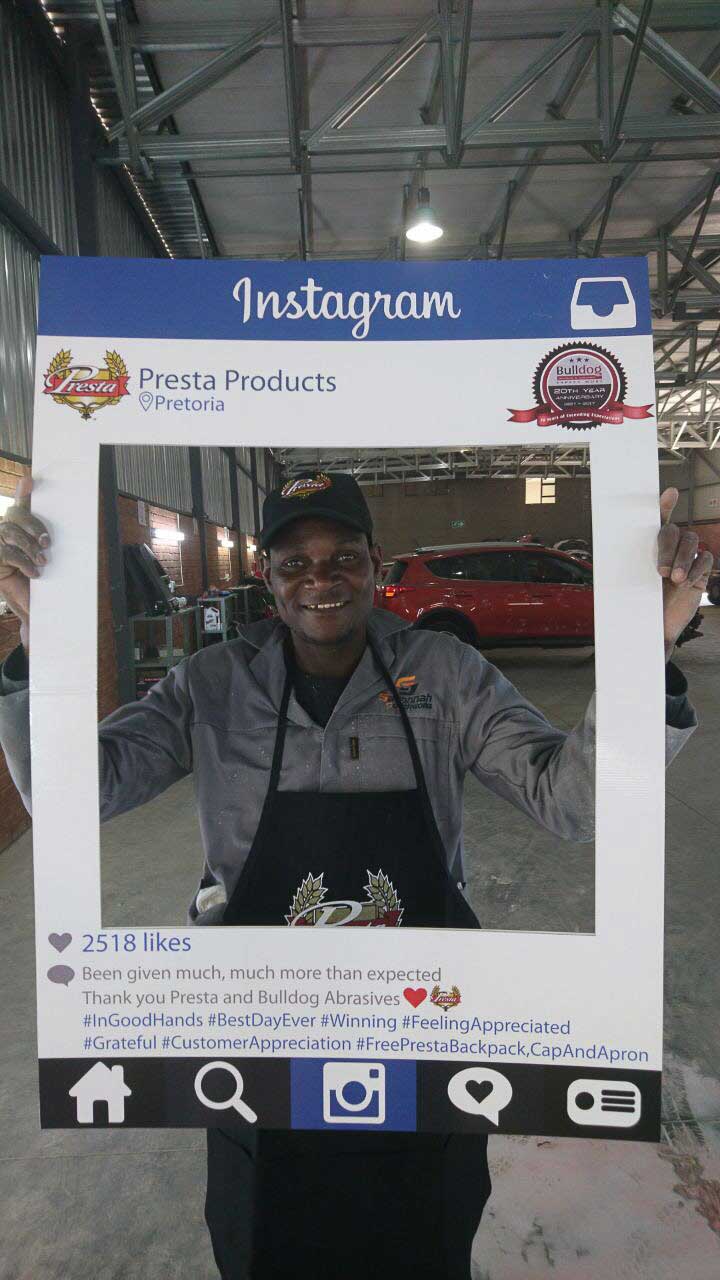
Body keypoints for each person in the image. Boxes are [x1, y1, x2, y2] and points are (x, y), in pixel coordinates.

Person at [0, 472, 712, 1279]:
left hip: (424, 1020)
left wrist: (644, 652)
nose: (321, 579)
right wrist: (41, 641)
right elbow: (75, 793)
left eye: (342, 556)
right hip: (255, 1022)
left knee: (422, 1232)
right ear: (266, 575)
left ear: (375, 561)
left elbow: (573, 802)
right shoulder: (211, 683)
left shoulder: (444, 671)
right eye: (295, 562)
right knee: (267, 1232)